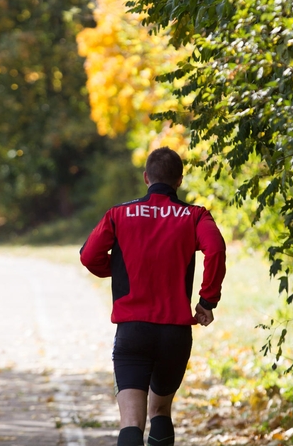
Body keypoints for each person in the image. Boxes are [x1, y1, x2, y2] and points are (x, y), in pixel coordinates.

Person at [80, 147, 226, 446]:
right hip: (175, 333)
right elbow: (216, 250)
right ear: (179, 180)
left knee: (131, 423)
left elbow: (88, 256)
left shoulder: (119, 214)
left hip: (133, 331)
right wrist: (207, 301)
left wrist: (120, 271)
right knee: (160, 410)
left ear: (146, 177)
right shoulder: (195, 215)